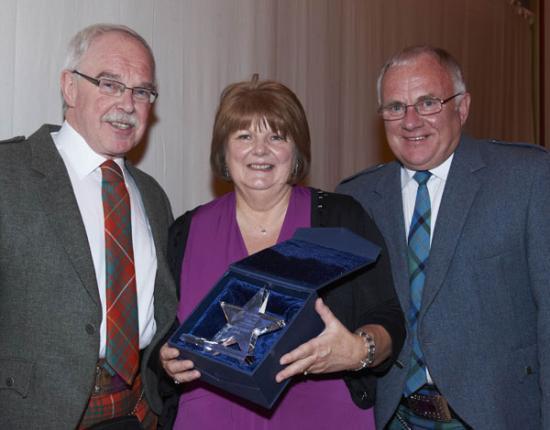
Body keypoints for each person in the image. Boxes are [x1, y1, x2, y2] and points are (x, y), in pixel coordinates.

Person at [159, 75, 405, 429]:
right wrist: (166, 362)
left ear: (296, 151)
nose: (260, 150)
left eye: (277, 136)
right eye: (244, 136)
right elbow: (160, 339)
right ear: (224, 152)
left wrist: (359, 350)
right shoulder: (186, 232)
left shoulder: (340, 221)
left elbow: (389, 319)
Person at [337, 45, 550, 429]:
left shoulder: (527, 180)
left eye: (428, 102)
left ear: (462, 107)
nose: (411, 120)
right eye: (395, 107)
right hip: (392, 419)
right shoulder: (357, 199)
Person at [0, 24, 177, 429]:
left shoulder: (152, 196)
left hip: (139, 413)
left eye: (142, 91)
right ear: (69, 87)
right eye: (110, 84)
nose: (128, 104)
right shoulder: (8, 174)